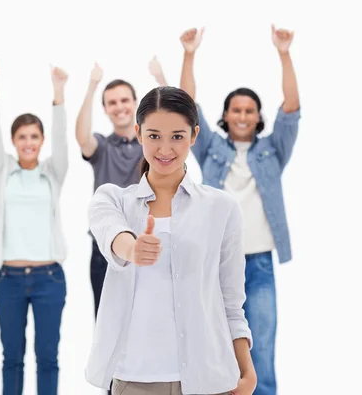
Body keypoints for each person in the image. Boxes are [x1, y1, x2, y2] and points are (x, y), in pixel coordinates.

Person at [151, 27, 300, 395]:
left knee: (260, 346)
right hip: (214, 262)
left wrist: (283, 53)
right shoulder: (211, 148)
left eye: (250, 110)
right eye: (236, 109)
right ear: (225, 115)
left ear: (258, 115)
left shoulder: (273, 152)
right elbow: (186, 102)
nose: (243, 115)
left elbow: (292, 108)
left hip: (259, 263)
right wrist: (189, 53)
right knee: (214, 346)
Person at [85, 86, 257, 395]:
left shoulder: (222, 208)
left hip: (208, 380)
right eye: (154, 136)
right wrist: (133, 248)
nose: (165, 148)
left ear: (194, 135)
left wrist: (247, 370)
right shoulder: (112, 199)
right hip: (134, 380)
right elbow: (111, 232)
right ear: (138, 133)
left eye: (177, 136)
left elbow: (231, 301)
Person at [0, 61, 69, 395]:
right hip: (10, 280)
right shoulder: (3, 171)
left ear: (41, 140)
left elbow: (62, 140)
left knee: (48, 358)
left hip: (49, 279)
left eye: (34, 136)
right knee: (12, 358)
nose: (28, 142)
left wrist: (58, 92)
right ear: (14, 141)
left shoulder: (53, 173)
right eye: (22, 137)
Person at [75, 64, 145, 323]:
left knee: (147, 328)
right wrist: (92, 86)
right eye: (112, 102)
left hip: (145, 246)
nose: (119, 106)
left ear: (136, 103)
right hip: (105, 250)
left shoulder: (151, 145)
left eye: (125, 100)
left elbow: (174, 124)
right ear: (104, 109)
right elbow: (82, 137)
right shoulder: (102, 147)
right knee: (108, 329)